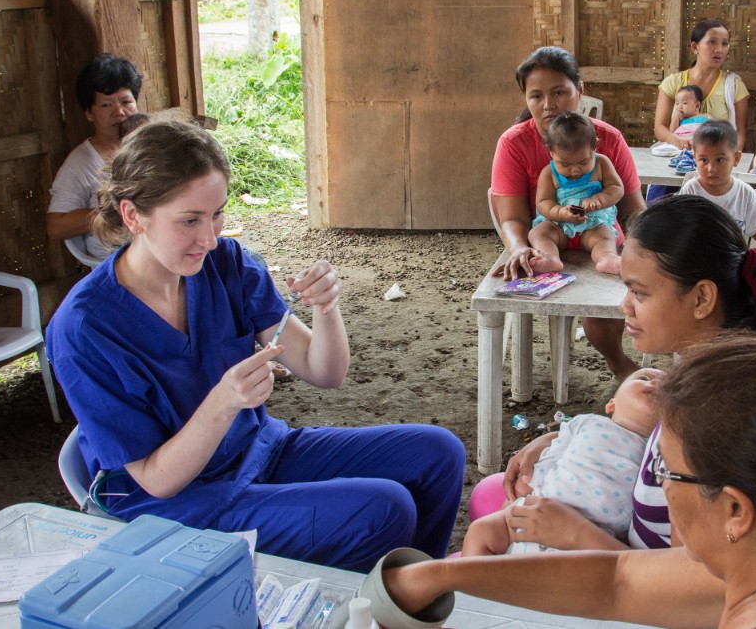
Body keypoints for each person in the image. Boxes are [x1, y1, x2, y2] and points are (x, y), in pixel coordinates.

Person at [45, 120, 465, 573]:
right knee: (382, 511)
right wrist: (223, 402)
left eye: (218, 214)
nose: (209, 237)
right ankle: (364, 608)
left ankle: (411, 602)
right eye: (189, 220)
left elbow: (326, 372)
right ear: (133, 216)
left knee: (438, 454)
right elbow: (156, 480)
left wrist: (326, 309)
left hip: (257, 451)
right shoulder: (86, 327)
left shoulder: (225, 264)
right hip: (175, 504)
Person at [371, 334, 756, 629]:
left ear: (735, 510)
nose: (657, 485)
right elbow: (617, 580)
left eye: (666, 469)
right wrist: (443, 578)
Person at [470, 194, 756, 555]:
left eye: (639, 292)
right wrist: (559, 441)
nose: (623, 305)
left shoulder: (706, 429)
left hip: (631, 581)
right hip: (621, 552)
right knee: (490, 493)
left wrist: (574, 533)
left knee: (488, 518)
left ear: (701, 299)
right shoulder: (702, 383)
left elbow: (689, 581)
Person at [491, 46, 645, 382]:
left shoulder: (608, 141)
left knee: (605, 302)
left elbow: (633, 209)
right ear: (526, 99)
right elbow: (513, 217)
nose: (548, 105)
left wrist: (638, 249)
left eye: (559, 92)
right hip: (548, 242)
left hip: (599, 238)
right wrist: (519, 248)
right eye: (536, 96)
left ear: (580, 91)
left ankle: (618, 363)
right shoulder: (514, 144)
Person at [462, 369, 653, 556]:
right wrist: (527, 485)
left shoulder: (659, 452)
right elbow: (552, 457)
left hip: (594, 539)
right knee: (481, 532)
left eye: (670, 389)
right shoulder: (587, 422)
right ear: (612, 404)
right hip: (539, 508)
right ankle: (469, 583)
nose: (654, 384)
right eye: (644, 377)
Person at [46, 54, 141, 263]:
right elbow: (56, 226)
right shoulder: (81, 163)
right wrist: (112, 213)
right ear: (89, 112)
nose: (119, 112)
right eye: (106, 105)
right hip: (115, 263)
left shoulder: (151, 146)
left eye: (126, 101)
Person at [679, 120, 756, 276]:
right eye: (703, 160)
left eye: (720, 160)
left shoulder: (745, 193)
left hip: (734, 263)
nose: (711, 168)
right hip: (699, 263)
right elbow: (681, 228)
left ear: (736, 159)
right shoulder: (691, 190)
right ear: (695, 158)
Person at [648, 19, 750, 203]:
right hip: (677, 162)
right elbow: (660, 127)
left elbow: (740, 133)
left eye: (724, 43)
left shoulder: (734, 86)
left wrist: (728, 161)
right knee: (661, 207)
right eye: (712, 42)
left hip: (715, 165)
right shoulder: (673, 83)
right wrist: (678, 142)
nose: (719, 49)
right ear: (695, 47)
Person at [528, 111, 625, 275]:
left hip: (593, 223)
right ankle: (550, 258)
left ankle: (608, 258)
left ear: (594, 146)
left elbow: (616, 188)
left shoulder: (601, 163)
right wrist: (559, 212)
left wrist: (599, 199)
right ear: (550, 152)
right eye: (565, 164)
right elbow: (543, 202)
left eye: (583, 162)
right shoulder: (549, 173)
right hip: (559, 227)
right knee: (538, 233)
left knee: (605, 237)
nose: (574, 170)